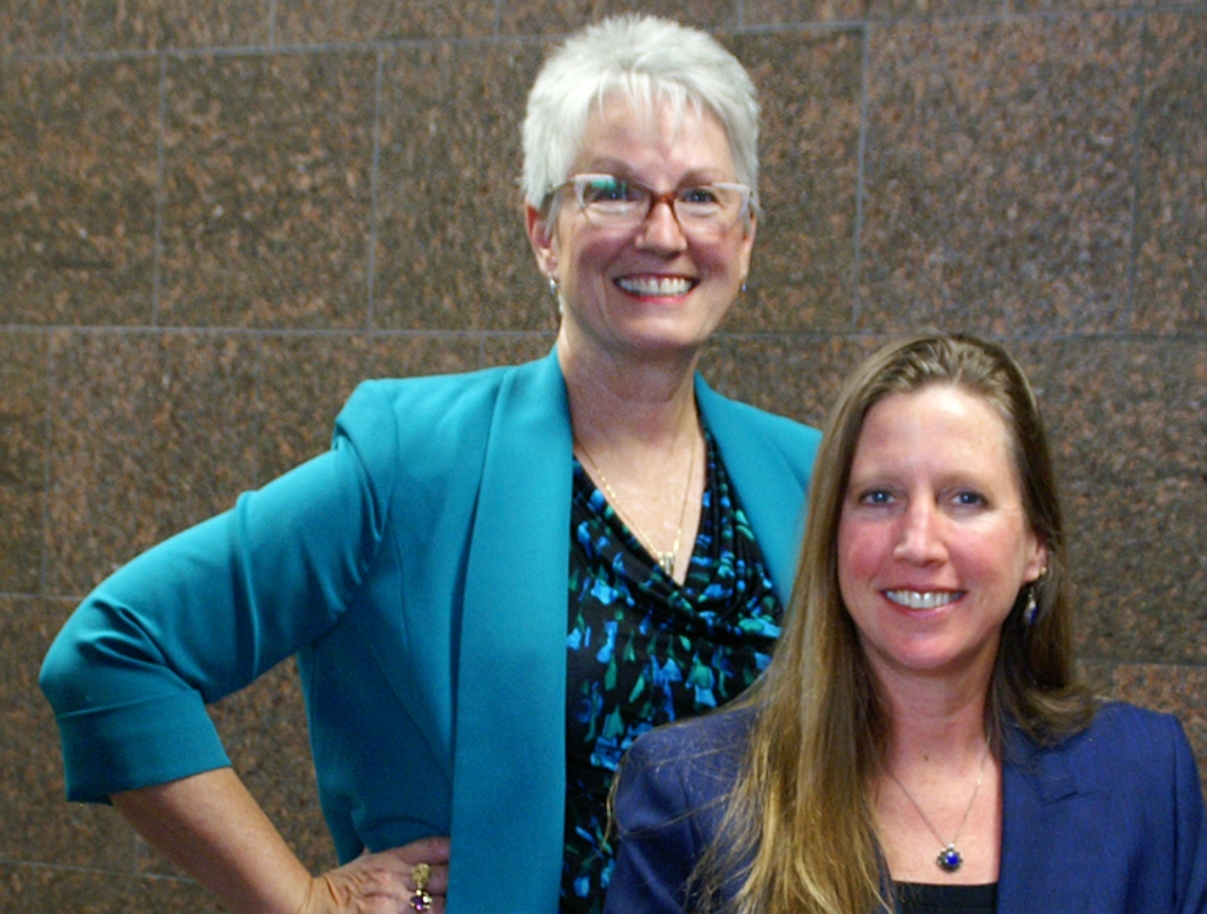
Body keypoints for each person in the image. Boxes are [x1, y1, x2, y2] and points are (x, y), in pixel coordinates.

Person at [39, 15, 818, 914]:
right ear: (541, 230)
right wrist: (303, 900)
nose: (663, 231)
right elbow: (114, 653)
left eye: (702, 196)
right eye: (613, 191)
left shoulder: (812, 475)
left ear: (748, 235)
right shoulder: (413, 462)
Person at [605, 333, 1207, 914]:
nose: (919, 543)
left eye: (966, 499)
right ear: (833, 535)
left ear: (1036, 544)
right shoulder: (691, 794)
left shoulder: (1142, 775)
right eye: (880, 497)